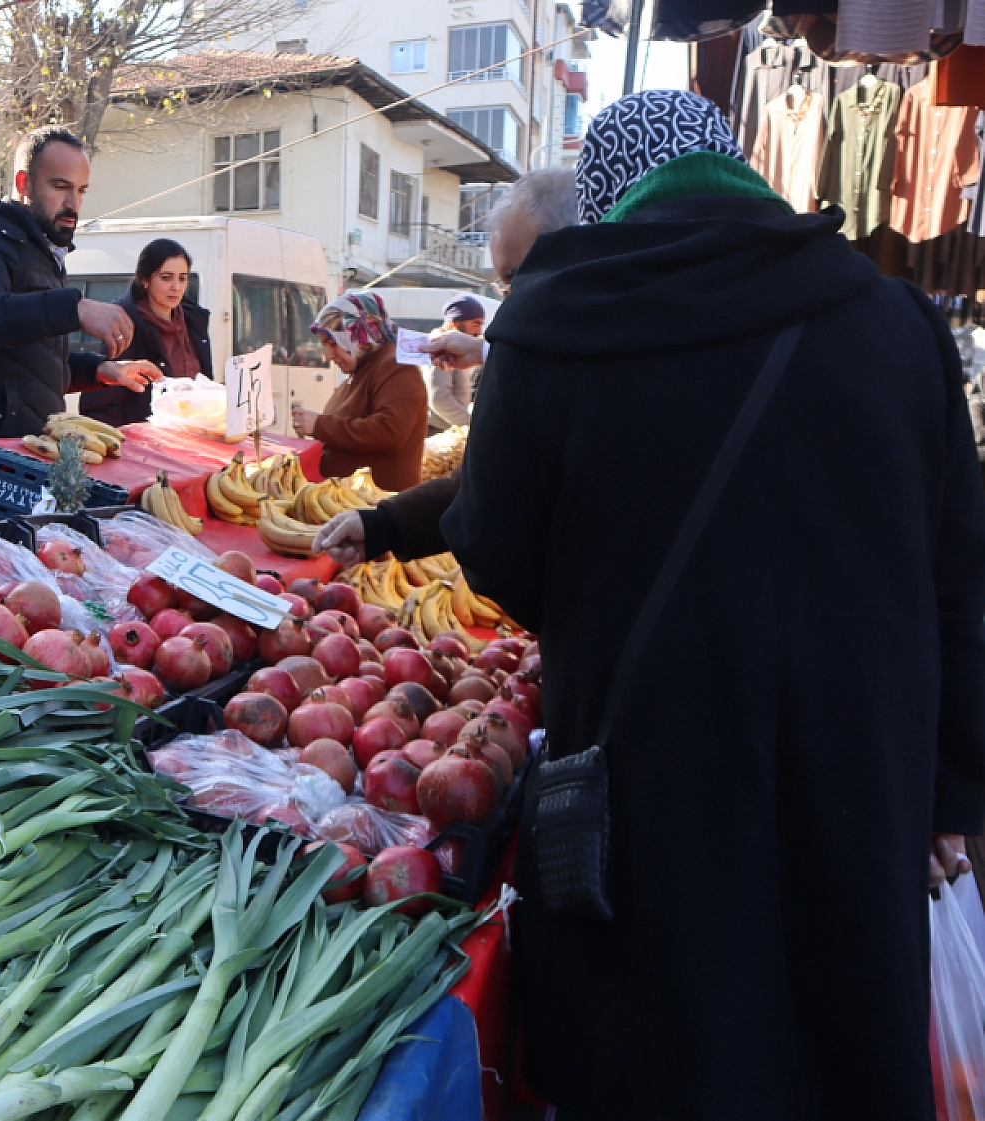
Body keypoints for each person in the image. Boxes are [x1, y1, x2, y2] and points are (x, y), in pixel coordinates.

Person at [444, 89, 985, 1120]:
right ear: (737, 170)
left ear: (605, 196)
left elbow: (496, 555)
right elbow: (956, 568)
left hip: (651, 772)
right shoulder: (892, 321)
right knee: (834, 1040)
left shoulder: (549, 329)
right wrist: (950, 790)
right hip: (857, 771)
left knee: (663, 1048)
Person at [314, 168, 580, 564]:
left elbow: (390, 431)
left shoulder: (601, 366)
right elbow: (488, 478)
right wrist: (383, 526)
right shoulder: (537, 356)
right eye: (502, 288)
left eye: (513, 281)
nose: (506, 304)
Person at [0, 127, 163, 494]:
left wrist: (100, 369)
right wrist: (74, 308)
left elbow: (29, 364)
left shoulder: (41, 252)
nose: (73, 204)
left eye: (80, 191)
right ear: (23, 183)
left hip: (15, 460)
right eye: (61, 187)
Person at [289, 292, 427, 492]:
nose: (329, 356)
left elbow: (390, 431)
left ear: (359, 335)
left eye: (334, 344)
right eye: (325, 346)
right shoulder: (362, 368)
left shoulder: (397, 367)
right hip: (350, 501)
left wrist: (319, 425)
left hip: (378, 506)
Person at [79, 238, 211, 426]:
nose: (176, 286)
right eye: (166, 277)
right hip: (144, 444)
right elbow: (103, 403)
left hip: (193, 435)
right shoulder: (125, 324)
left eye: (182, 278)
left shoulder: (194, 320)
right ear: (145, 280)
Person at [426, 293, 484, 434]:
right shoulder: (440, 346)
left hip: (450, 427)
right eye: (476, 323)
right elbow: (439, 398)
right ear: (455, 323)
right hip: (439, 431)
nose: (479, 331)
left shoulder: (455, 347)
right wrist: (470, 425)